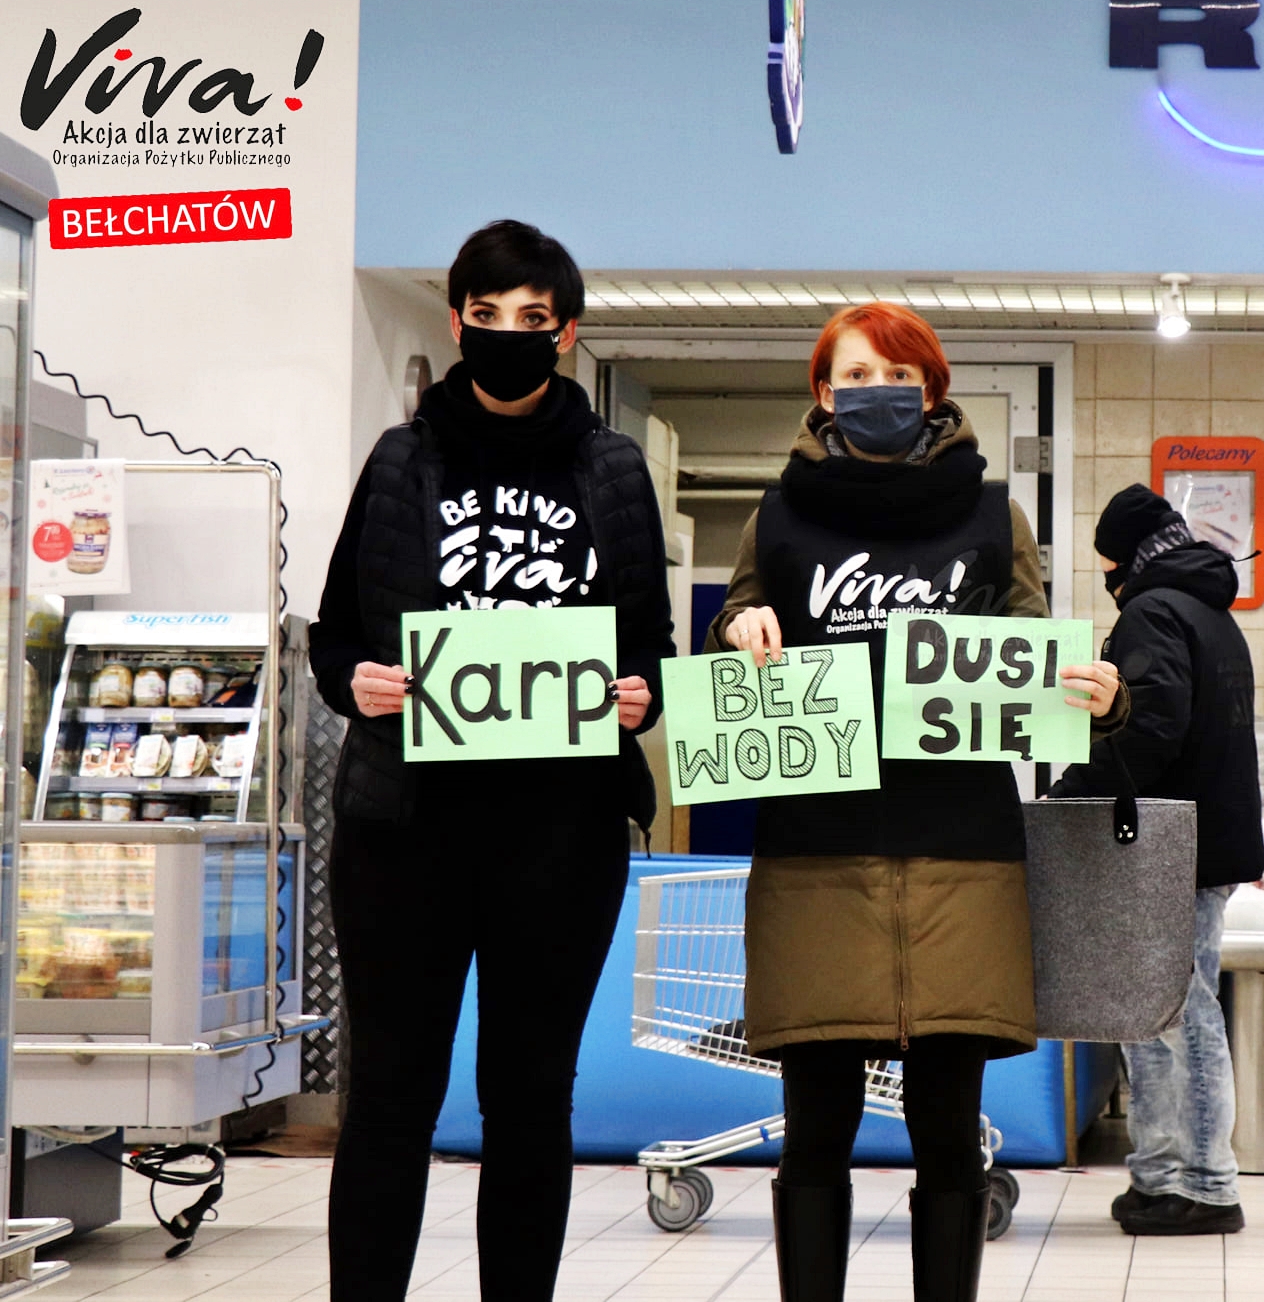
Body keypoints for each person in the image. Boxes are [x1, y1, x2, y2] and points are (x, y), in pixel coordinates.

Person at [705, 301, 1125, 1302]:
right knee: (816, 1132)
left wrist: (1098, 695)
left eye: (898, 375)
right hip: (815, 855)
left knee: (948, 1133)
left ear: (931, 391)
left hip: (962, 860)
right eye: (854, 375)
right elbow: (731, 616)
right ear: (821, 392)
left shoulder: (992, 517)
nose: (875, 393)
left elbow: (1035, 659)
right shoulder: (779, 515)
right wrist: (739, 624)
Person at [309, 220, 674, 1302]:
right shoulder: (397, 459)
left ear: (563, 333)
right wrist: (356, 682)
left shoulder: (612, 470)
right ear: (459, 319)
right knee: (388, 1094)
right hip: (402, 828)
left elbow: (645, 645)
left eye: (531, 318)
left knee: (528, 1098)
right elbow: (335, 636)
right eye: (485, 314)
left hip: (558, 834)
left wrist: (638, 694)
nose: (508, 333)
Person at [1049, 484, 1264, 1236]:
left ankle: (1206, 1184)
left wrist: (1068, 793)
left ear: (1129, 556)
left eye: (1110, 561)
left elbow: (1150, 727)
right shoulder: (1209, 610)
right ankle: (1161, 1173)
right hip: (1202, 839)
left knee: (1179, 1013)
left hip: (1172, 845)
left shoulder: (1152, 610)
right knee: (1159, 1011)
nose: (1109, 577)